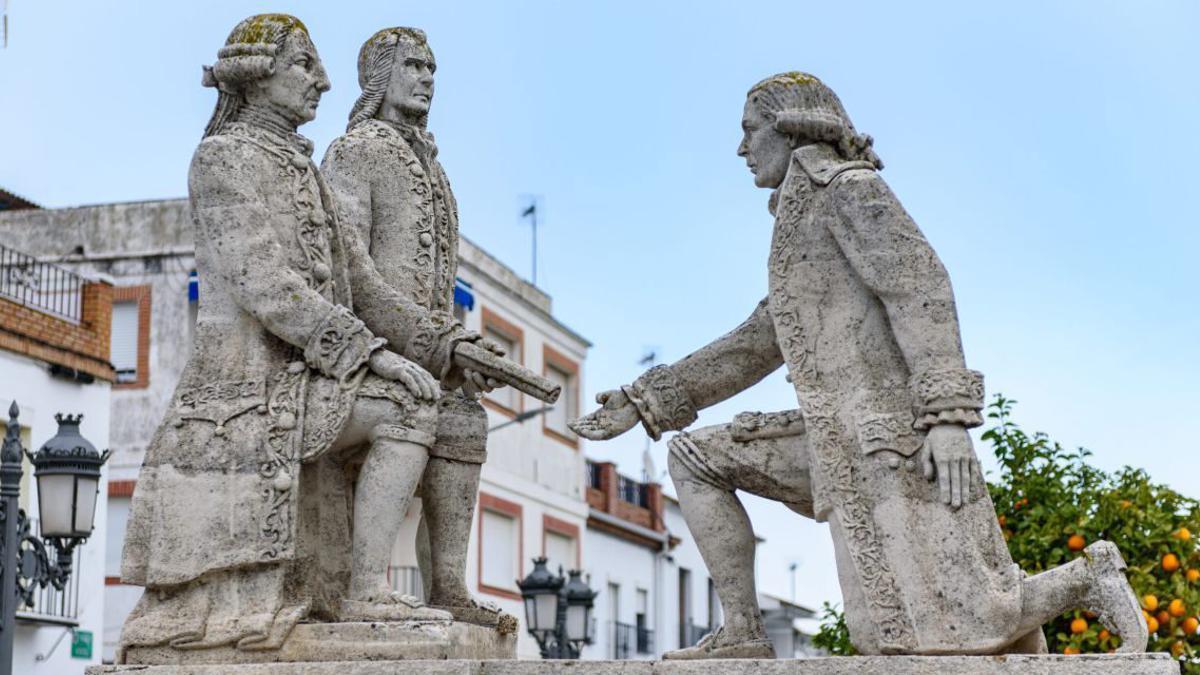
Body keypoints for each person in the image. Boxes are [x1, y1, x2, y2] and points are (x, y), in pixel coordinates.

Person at [573, 72, 1147, 659]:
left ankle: (1087, 575)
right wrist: (645, 399)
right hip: (833, 437)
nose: (741, 149)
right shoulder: (797, 222)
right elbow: (759, 339)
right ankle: (743, 631)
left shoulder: (849, 190)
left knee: (948, 625)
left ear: (789, 126)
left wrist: (947, 418)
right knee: (695, 455)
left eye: (749, 132)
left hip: (891, 438)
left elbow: (920, 287)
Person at [119, 14, 490, 657]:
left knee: (421, 394)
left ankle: (383, 587)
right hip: (247, 387)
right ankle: (363, 590)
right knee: (406, 406)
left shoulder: (307, 171)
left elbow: (366, 287)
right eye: (304, 66)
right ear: (258, 75)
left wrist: (440, 346)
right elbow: (264, 282)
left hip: (305, 376)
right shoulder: (222, 158)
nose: (321, 81)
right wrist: (368, 354)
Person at [320, 27, 507, 627]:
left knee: (464, 420)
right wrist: (430, 342)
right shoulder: (356, 151)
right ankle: (366, 586)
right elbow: (350, 271)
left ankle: (448, 586)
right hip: (359, 353)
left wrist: (461, 350)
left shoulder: (434, 167)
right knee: (415, 407)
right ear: (380, 76)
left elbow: (434, 286)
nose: (428, 77)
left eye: (432, 67)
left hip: (427, 357)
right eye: (414, 65)